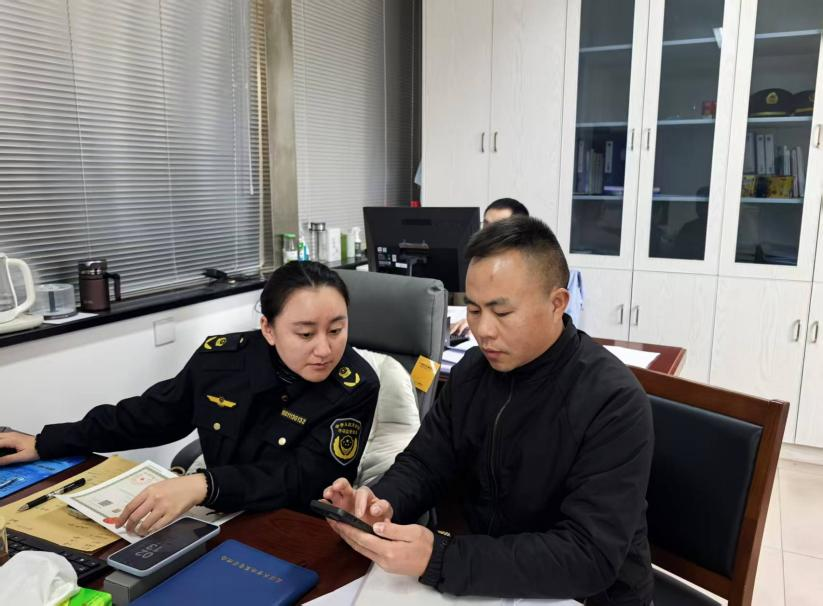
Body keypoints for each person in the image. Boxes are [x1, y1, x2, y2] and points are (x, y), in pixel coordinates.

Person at [323, 217, 654, 604]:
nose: (484, 330)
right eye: (474, 310)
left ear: (557, 303)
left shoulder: (613, 401)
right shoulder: (472, 373)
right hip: (492, 580)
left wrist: (441, 557)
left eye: (502, 312)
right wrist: (379, 503)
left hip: (588, 596)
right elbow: (425, 463)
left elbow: (588, 555)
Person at [0, 261, 378, 537]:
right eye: (306, 334)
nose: (324, 350)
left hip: (295, 529)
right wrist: (47, 441)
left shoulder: (355, 385)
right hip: (217, 519)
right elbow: (150, 416)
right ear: (268, 328)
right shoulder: (222, 360)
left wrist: (204, 485)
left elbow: (302, 479)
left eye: (336, 330)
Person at [450, 197, 530, 336]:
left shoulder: (529, 270)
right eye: (486, 225)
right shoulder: (475, 264)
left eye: (498, 227)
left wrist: (477, 321)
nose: (487, 233)